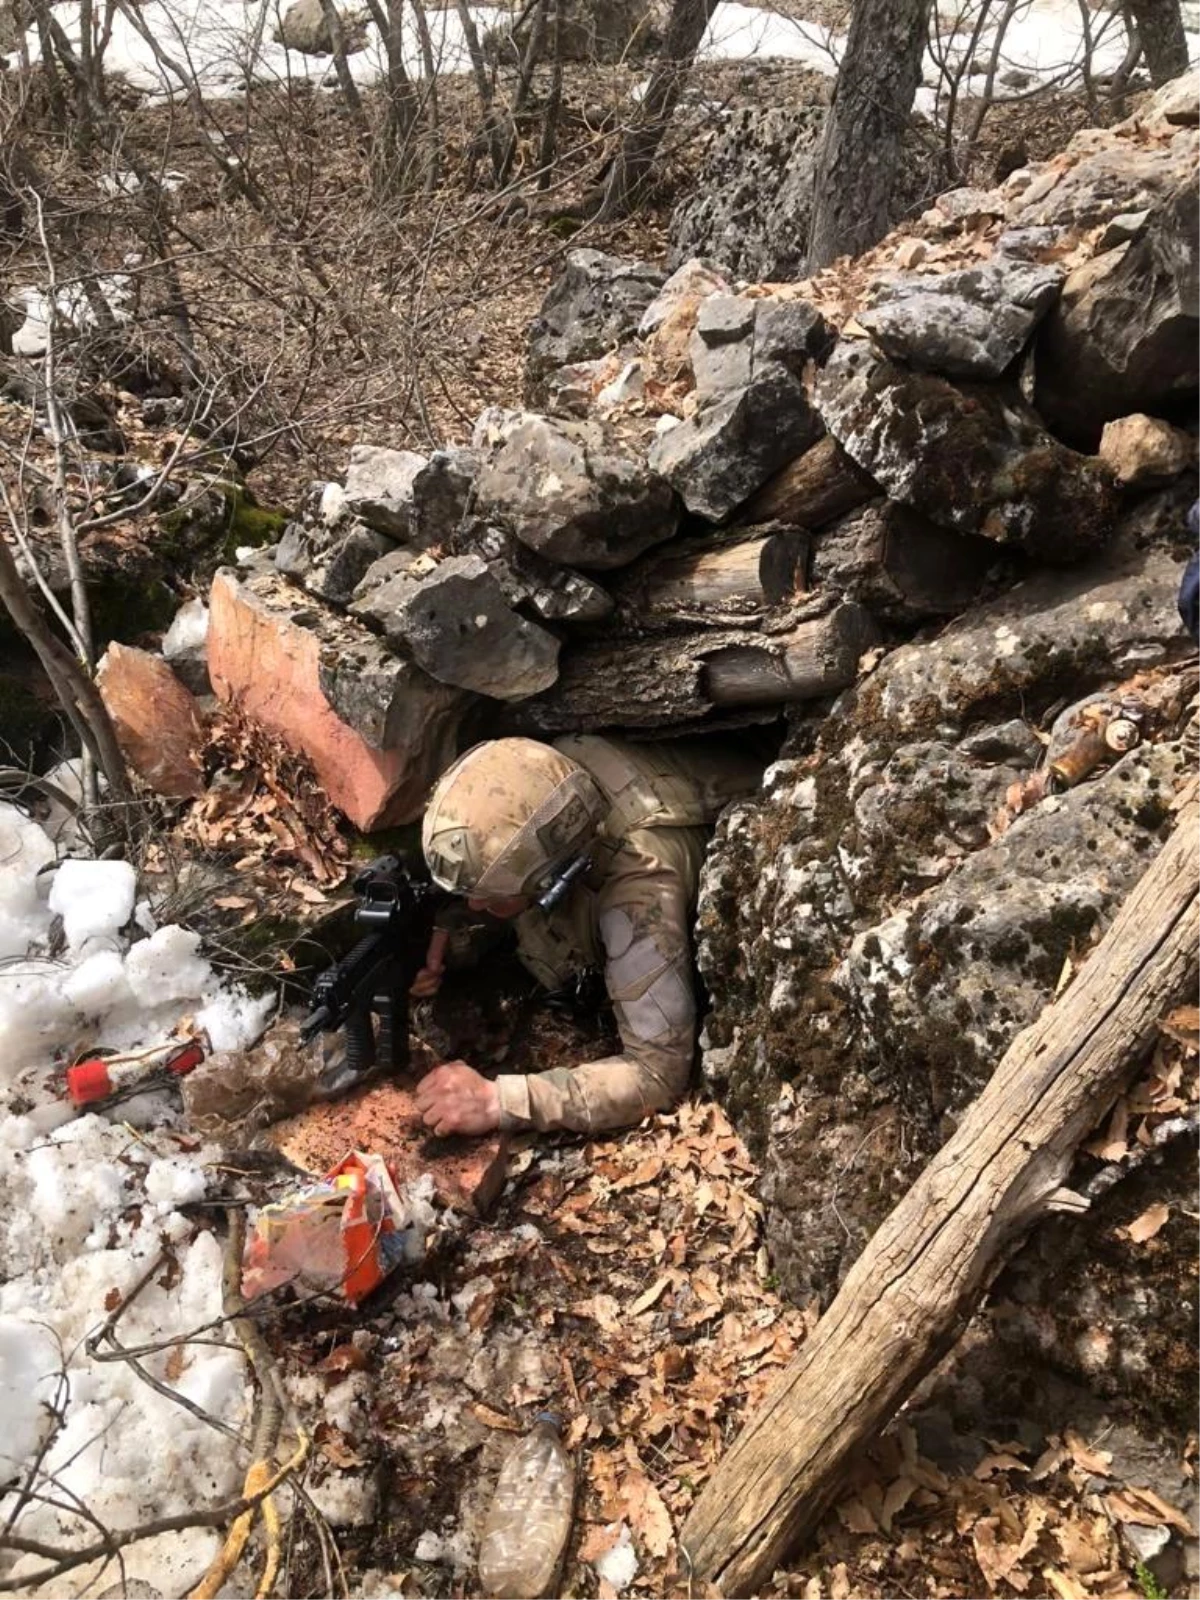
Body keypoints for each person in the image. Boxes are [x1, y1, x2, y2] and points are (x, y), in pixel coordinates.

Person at [411, 734, 761, 1138]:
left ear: (554, 880)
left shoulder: (639, 887)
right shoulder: (539, 785)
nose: (475, 907)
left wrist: (498, 1100)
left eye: (489, 899)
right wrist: (448, 933)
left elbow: (657, 1072)